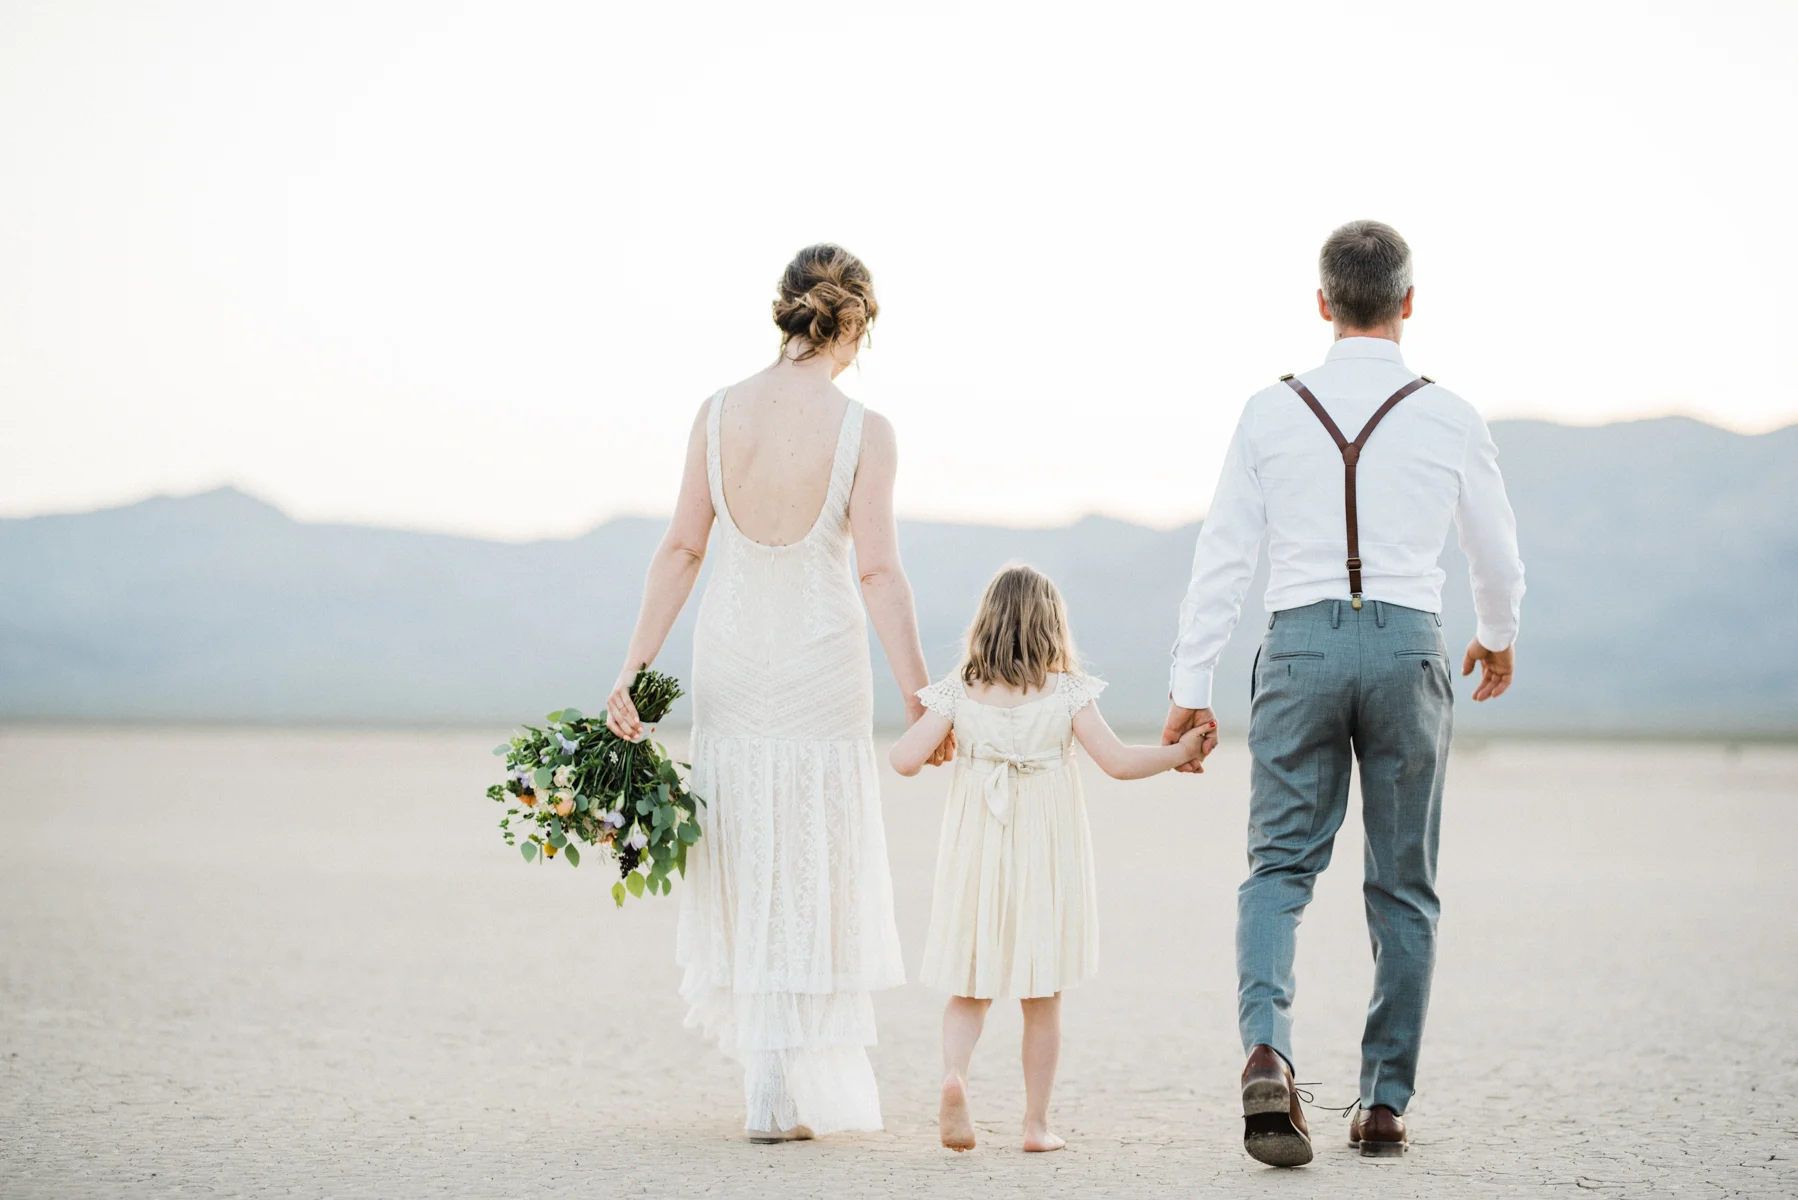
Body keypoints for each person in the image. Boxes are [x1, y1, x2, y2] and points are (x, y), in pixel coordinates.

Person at [1161, 220, 1526, 1166]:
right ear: (1409, 303)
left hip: (1296, 649)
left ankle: (1267, 1052)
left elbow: (1224, 558)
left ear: (1322, 303)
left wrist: (1189, 683)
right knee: (1403, 887)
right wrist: (1498, 634)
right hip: (1409, 647)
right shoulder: (1451, 414)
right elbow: (1497, 552)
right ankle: (1382, 1104)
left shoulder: (1269, 411)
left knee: (1278, 872)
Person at [604, 244, 952, 1142]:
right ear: (856, 323)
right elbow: (879, 571)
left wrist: (633, 670)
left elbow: (681, 548)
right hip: (818, 660)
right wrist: (919, 695)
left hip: (733, 654)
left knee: (748, 846)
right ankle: (784, 1083)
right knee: (811, 856)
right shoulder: (865, 429)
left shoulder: (717, 414)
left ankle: (766, 1088)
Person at [891, 564, 1213, 1153]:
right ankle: (1035, 1126)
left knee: (969, 987)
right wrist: (1180, 752)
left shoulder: (962, 687)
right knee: (1042, 995)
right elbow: (1116, 761)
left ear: (984, 623)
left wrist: (948, 739)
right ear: (1052, 625)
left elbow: (903, 760)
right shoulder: (1067, 689)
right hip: (1044, 854)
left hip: (977, 851)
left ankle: (953, 1077)